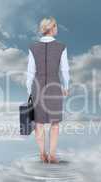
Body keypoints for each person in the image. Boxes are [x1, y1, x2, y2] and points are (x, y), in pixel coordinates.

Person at [26, 16, 70, 163]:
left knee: (38, 123)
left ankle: (42, 154)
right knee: (55, 123)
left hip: (37, 87)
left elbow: (30, 72)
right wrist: (66, 86)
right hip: (54, 86)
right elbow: (65, 70)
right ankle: (52, 155)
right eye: (56, 26)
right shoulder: (61, 47)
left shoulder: (33, 47)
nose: (57, 28)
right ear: (51, 28)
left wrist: (29, 91)